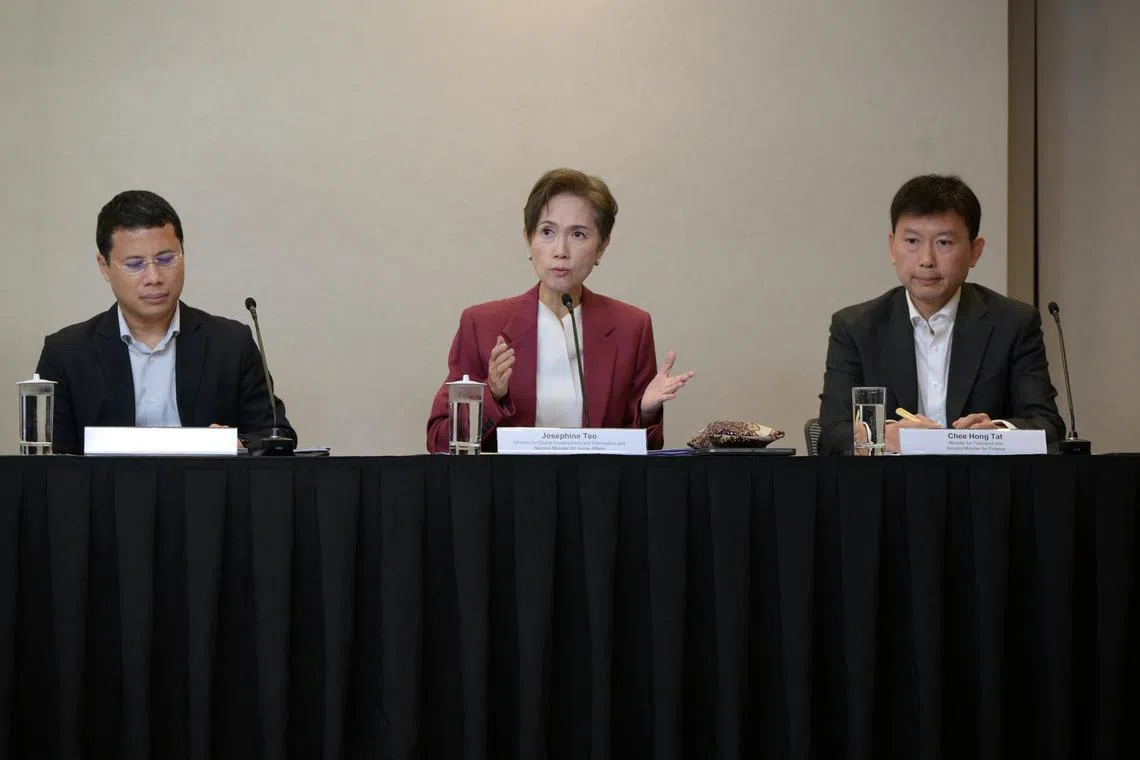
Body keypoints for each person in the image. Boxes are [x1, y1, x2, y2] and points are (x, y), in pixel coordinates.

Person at [426, 168, 693, 452]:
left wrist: (648, 413)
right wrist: (491, 394)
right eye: (547, 232)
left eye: (578, 234)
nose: (560, 250)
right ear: (529, 239)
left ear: (601, 247)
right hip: (511, 492)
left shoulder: (631, 327)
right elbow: (439, 441)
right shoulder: (481, 325)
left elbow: (645, 455)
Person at [818, 174, 1064, 455]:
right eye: (912, 241)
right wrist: (882, 438)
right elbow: (830, 435)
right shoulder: (855, 327)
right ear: (892, 247)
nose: (926, 259)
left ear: (975, 251)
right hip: (890, 490)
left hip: (980, 487)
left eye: (944, 243)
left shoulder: (1013, 324)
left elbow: (1047, 426)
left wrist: (999, 433)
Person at [36, 190, 295, 454]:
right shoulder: (66, 354)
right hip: (106, 494)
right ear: (104, 266)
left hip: (206, 491)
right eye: (135, 264)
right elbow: (50, 464)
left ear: (183, 253)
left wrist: (239, 444)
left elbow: (277, 435)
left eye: (166, 259)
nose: (154, 276)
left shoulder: (231, 344)